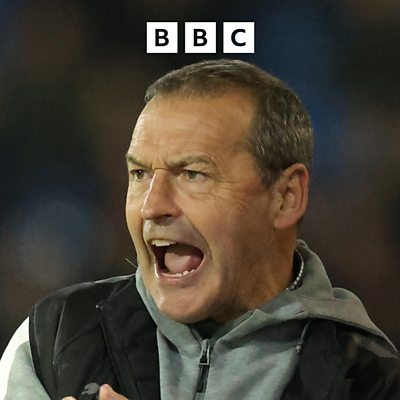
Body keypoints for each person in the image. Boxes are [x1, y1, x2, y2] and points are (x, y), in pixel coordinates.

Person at [0, 59, 399, 400]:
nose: (152, 206)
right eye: (139, 174)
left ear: (285, 197)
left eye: (192, 174)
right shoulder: (55, 337)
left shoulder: (370, 381)